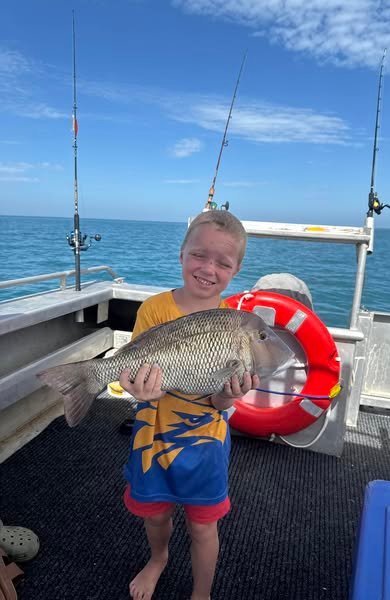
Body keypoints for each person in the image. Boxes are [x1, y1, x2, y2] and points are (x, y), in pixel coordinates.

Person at [119, 210, 260, 600]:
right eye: (199, 254)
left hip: (204, 445)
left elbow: (217, 400)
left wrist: (227, 396)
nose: (208, 268)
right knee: (156, 513)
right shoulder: (153, 310)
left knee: (203, 526)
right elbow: (134, 372)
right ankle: (158, 559)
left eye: (223, 262)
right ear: (182, 254)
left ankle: (202, 593)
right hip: (153, 438)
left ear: (236, 269)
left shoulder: (235, 327)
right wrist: (135, 389)